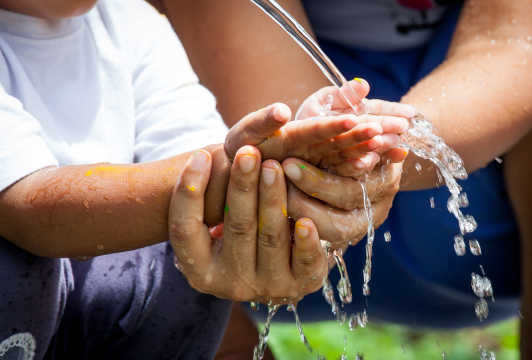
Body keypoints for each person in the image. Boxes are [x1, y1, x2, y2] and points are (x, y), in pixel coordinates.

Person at [0, 0, 416, 358]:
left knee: (194, 245)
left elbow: (201, 155)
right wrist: (243, 171)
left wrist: (292, 159)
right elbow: (34, 209)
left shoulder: (129, 21)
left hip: (100, 321)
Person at [159, 0, 532, 357]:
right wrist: (327, 142)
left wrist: (386, 139)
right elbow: (276, 123)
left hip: (483, 166)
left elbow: (513, 43)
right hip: (247, 230)